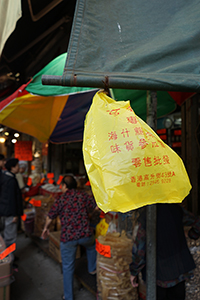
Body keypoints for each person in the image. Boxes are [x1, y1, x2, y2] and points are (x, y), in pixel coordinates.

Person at [42, 175, 97, 300]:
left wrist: (46, 228)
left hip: (68, 238)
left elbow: (50, 216)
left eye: (62, 185)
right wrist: (90, 214)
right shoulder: (83, 196)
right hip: (85, 234)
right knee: (92, 246)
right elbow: (96, 207)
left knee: (67, 267)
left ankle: (68, 296)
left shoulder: (60, 199)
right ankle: (92, 269)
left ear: (65, 186)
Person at [129, 203, 200, 300]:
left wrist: (134, 272)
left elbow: (140, 251)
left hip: (158, 275)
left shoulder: (145, 218)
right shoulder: (175, 208)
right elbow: (197, 223)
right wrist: (192, 234)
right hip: (179, 271)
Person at [0, 158, 23, 251]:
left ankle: (9, 257)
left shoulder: (5, 177)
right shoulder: (10, 180)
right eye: (17, 166)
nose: (19, 168)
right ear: (12, 167)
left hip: (4, 210)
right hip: (10, 212)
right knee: (10, 238)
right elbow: (12, 199)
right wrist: (15, 214)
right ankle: (8, 260)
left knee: (6, 236)